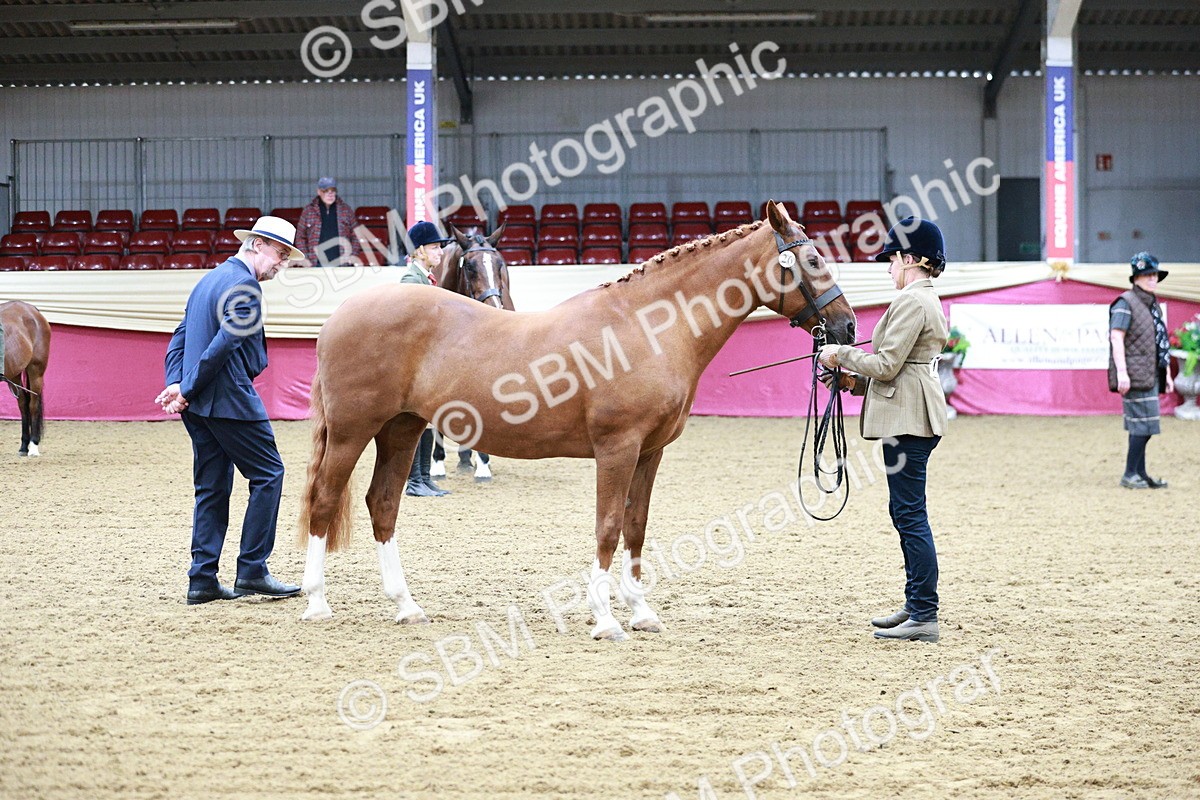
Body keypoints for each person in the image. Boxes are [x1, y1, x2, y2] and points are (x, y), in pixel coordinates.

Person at [156, 215, 304, 605]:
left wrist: (177, 383)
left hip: (200, 404)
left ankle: (202, 580)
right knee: (270, 474)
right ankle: (253, 570)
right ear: (256, 245)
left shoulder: (209, 279)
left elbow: (181, 334)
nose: (281, 263)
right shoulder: (246, 287)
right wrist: (185, 388)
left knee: (212, 487)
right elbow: (223, 346)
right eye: (280, 253)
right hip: (230, 401)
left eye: (286, 256)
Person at [817, 217, 948, 644]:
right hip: (907, 412)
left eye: (891, 259)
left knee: (910, 515)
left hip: (908, 419)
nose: (888, 268)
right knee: (905, 512)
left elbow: (888, 365)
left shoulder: (913, 301)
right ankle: (916, 604)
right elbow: (899, 367)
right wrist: (853, 381)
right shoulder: (921, 298)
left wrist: (840, 355)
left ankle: (924, 613)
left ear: (911, 260)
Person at [1108, 252, 1174, 489]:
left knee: (1143, 424)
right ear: (1136, 278)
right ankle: (1129, 473)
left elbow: (1159, 342)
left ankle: (1140, 473)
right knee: (1144, 425)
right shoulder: (1126, 303)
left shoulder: (1151, 303)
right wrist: (1123, 372)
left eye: (1154, 274)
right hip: (1135, 373)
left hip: (1149, 372)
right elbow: (1116, 337)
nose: (1152, 278)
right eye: (1147, 274)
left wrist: (1164, 373)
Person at [401, 221, 452, 497]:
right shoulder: (412, 281)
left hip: (427, 361)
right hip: (416, 362)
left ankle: (424, 477)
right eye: (435, 247)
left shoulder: (426, 279)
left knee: (428, 421)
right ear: (419, 250)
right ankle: (414, 480)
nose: (440, 252)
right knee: (418, 420)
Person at [295, 176, 363, 267]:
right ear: (319, 192)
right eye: (325, 191)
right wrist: (305, 258)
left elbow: (357, 235)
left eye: (333, 190)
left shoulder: (346, 210)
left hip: (342, 263)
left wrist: (353, 255)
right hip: (316, 263)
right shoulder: (308, 211)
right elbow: (300, 236)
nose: (330, 194)